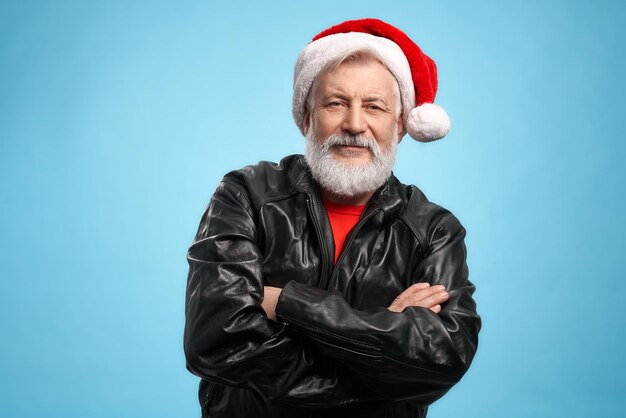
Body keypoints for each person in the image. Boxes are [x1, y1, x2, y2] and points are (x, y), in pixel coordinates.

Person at [184, 18, 481, 418]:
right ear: (307, 116)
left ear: (399, 126)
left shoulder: (434, 231)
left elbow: (440, 360)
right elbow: (214, 340)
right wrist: (383, 337)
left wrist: (288, 302)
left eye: (374, 107)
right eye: (336, 103)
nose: (355, 124)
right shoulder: (246, 196)